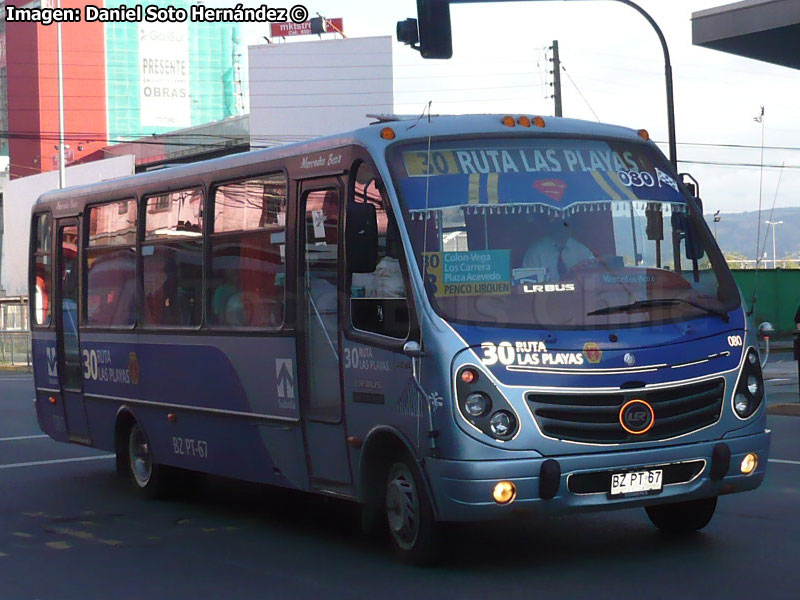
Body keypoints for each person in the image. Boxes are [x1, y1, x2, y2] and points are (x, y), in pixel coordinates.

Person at [522, 215, 593, 281]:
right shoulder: (537, 251)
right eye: (559, 224)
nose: (562, 228)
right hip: (544, 294)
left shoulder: (583, 250)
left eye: (565, 224)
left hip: (576, 293)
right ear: (552, 225)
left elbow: (593, 277)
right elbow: (526, 281)